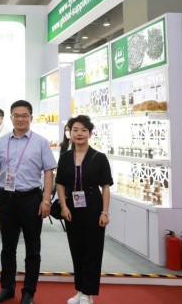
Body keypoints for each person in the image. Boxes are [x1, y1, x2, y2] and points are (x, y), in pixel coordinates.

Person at [0, 100, 57, 304]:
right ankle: (7, 288)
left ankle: (29, 292)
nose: (20, 119)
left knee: (32, 249)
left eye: (24, 115)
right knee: (7, 247)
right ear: (11, 118)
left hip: (31, 200)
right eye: (16, 115)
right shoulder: (2, 142)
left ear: (31, 118)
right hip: (7, 199)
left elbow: (49, 172)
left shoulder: (41, 142)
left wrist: (46, 200)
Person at [56, 115, 113, 304]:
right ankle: (80, 290)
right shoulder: (65, 157)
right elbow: (60, 184)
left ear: (90, 133)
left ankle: (88, 293)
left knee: (92, 250)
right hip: (72, 208)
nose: (79, 133)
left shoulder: (99, 157)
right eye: (75, 130)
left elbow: (105, 187)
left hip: (94, 207)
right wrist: (63, 206)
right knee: (77, 250)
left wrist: (105, 212)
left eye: (83, 130)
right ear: (70, 133)